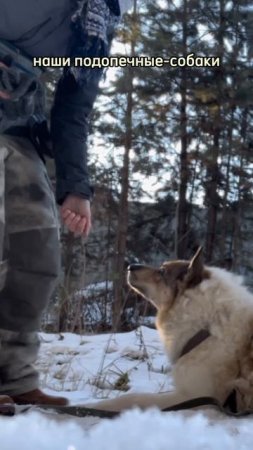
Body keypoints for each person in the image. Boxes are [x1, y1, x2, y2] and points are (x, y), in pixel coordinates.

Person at [0, 0, 132, 414]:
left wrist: (77, 188)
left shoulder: (98, 24)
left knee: (35, 253)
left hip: (19, 129)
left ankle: (13, 377)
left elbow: (74, 108)